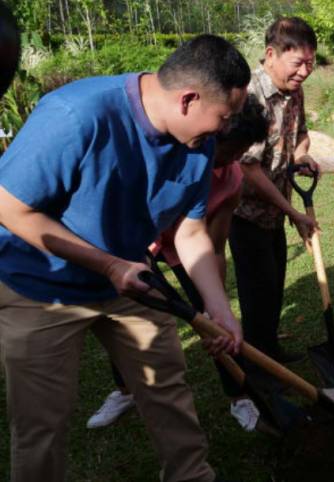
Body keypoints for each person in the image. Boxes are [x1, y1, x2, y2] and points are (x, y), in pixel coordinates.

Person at [0, 34, 248, 481]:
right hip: (39, 287)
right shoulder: (76, 116)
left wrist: (219, 307)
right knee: (42, 422)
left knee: (168, 388)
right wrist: (109, 265)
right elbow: (9, 207)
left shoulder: (199, 140)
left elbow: (190, 231)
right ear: (189, 99)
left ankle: (191, 476)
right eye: (223, 118)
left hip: (129, 278)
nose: (225, 131)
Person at [87, 96, 268, 432]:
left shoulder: (230, 180)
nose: (232, 159)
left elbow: (212, 246)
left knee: (219, 326)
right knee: (126, 317)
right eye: (230, 149)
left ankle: (239, 395)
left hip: (189, 250)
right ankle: (124, 390)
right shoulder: (167, 160)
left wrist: (217, 304)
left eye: (241, 152)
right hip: (140, 245)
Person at [229, 17, 320, 365]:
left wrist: (302, 156)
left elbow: (300, 135)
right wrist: (292, 211)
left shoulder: (294, 90)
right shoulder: (250, 96)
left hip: (275, 213)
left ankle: (271, 352)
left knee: (274, 287)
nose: (305, 72)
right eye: (298, 63)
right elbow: (247, 168)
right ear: (271, 54)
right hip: (246, 214)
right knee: (256, 295)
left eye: (310, 63)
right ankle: (259, 369)